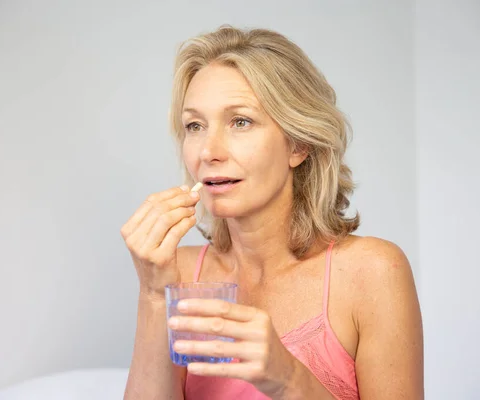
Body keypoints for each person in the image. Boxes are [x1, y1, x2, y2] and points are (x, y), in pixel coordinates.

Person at [121, 25, 423, 400]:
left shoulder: (373, 272)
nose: (207, 151)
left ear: (298, 145)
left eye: (240, 121)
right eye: (195, 126)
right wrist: (154, 293)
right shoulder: (179, 276)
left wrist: (288, 378)